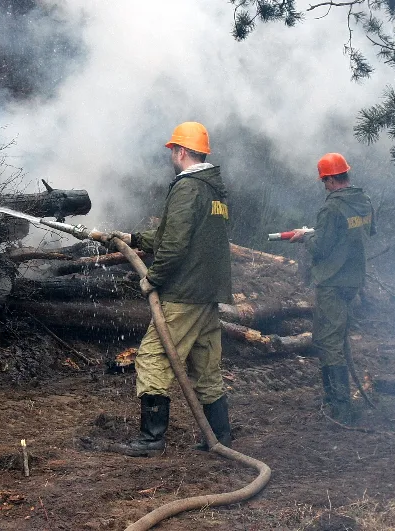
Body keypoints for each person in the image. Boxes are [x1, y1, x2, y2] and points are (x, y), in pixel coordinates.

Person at [109, 122, 233, 456]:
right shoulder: (212, 189)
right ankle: (219, 436)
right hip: (208, 293)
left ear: (179, 151)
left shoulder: (187, 188)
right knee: (206, 365)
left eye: (172, 151)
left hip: (184, 293)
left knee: (151, 356)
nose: (172, 157)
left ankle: (151, 440)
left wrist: (154, 277)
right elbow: (174, 234)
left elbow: (175, 244)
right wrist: (132, 239)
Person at [290, 153, 375, 424]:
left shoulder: (332, 208)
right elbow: (362, 234)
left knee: (328, 341)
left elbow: (321, 249)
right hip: (353, 279)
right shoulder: (364, 202)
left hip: (332, 281)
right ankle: (336, 401)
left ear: (330, 178)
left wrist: (306, 238)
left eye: (324, 181)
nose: (324, 186)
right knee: (336, 336)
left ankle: (340, 407)